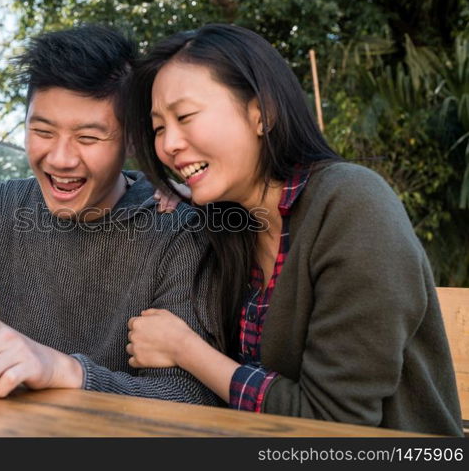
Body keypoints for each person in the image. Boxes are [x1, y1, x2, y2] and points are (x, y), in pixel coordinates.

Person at [125, 24, 463, 435]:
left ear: (261, 113)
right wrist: (170, 190)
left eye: (185, 116)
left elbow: (335, 423)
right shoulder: (234, 226)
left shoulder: (351, 205)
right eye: (159, 127)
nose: (168, 144)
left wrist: (185, 349)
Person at [0, 25, 218, 405]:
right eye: (42, 131)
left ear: (131, 139)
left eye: (88, 138)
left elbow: (188, 396)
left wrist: (65, 371)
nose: (61, 159)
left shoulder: (179, 225)